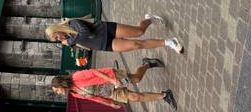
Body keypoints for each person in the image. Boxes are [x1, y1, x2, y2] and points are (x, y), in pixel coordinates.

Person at [51, 62, 177, 110]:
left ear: (61, 84)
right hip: (110, 93)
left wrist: (112, 80)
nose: (59, 93)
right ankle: (165, 95)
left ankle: (147, 64)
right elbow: (93, 98)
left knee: (137, 78)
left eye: (57, 90)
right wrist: (109, 103)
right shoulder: (74, 93)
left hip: (111, 78)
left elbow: (95, 72)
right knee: (135, 97)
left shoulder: (76, 77)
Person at [45, 16, 184, 55]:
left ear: (57, 29)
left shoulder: (72, 23)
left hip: (107, 30)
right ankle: (170, 42)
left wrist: (69, 42)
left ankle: (150, 19)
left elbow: (86, 32)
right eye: (56, 40)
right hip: (105, 45)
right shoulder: (71, 41)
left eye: (56, 36)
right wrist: (70, 42)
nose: (58, 39)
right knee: (137, 45)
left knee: (139, 31)